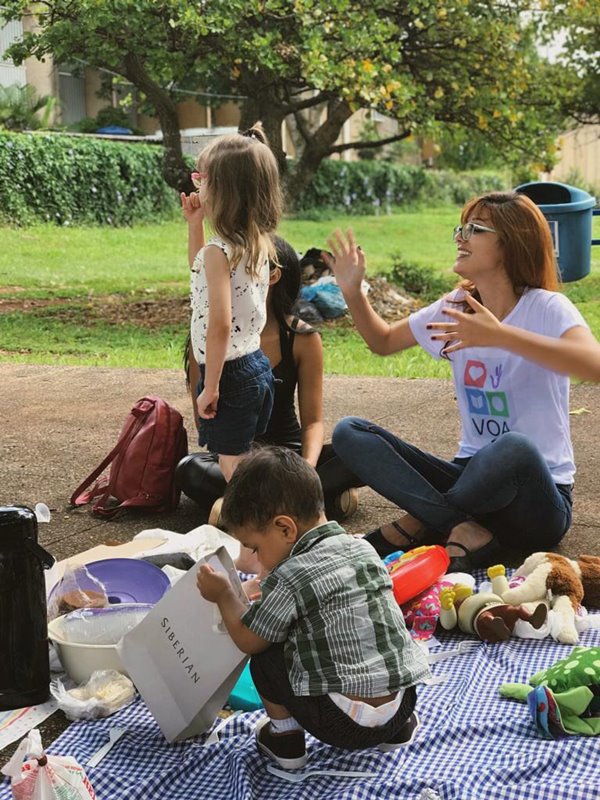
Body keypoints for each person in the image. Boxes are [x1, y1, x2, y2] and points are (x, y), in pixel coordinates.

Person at [325, 191, 600, 573]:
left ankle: (417, 523)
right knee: (350, 433)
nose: (460, 236)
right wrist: (352, 292)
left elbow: (595, 365)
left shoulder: (546, 308)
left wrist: (501, 336)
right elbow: (383, 341)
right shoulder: (456, 306)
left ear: (510, 242)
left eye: (475, 229)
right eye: (461, 227)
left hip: (537, 499)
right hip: (472, 483)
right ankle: (460, 526)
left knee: (513, 448)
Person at [196, 447, 430, 769]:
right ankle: (395, 731)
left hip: (341, 724)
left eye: (256, 548)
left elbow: (249, 639)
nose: (257, 559)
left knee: (266, 653)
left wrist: (224, 595)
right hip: (404, 704)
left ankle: (285, 740)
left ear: (285, 529)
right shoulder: (363, 548)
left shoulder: (290, 574)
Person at [176, 237, 362, 527]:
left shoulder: (302, 338)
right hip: (233, 460)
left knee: (359, 446)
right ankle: (310, 503)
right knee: (189, 469)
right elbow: (207, 426)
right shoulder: (205, 339)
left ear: (271, 276)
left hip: (290, 457)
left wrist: (308, 471)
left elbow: (313, 422)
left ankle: (244, 508)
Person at [180, 123, 281, 482]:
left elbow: (219, 324)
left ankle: (256, 533)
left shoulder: (219, 251)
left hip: (229, 373)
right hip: (255, 366)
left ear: (223, 191)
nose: (196, 185)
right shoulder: (255, 243)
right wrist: (195, 224)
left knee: (233, 470)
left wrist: (210, 387)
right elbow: (201, 275)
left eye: (201, 179)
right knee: (246, 460)